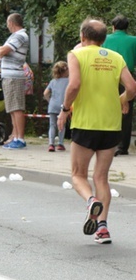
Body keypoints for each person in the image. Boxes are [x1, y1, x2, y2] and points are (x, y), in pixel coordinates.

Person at [58, 18, 136, 245]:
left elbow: (74, 85)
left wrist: (64, 109)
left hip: (85, 123)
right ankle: (102, 228)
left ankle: (91, 201)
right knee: (101, 177)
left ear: (82, 36)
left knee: (78, 175)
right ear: (104, 39)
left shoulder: (76, 54)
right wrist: (122, 99)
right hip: (112, 125)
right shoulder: (116, 57)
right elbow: (131, 87)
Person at [103, 15, 136, 156]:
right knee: (126, 112)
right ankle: (122, 146)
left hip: (107, 76)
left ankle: (107, 142)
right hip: (128, 75)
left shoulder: (105, 39)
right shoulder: (134, 41)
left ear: (113, 27)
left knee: (107, 108)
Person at [0, 13, 30, 149]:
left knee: (16, 107)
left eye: (7, 23)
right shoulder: (15, 36)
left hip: (14, 76)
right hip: (9, 76)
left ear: (11, 22)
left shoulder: (20, 35)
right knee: (12, 108)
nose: (7, 26)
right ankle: (15, 136)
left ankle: (20, 138)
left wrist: (0, 50)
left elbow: (2, 51)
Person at [43, 61, 69, 152]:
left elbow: (45, 93)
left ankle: (51, 144)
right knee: (62, 124)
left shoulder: (53, 81)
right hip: (64, 105)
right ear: (66, 71)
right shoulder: (69, 81)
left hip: (53, 105)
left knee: (52, 125)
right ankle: (60, 144)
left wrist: (50, 101)